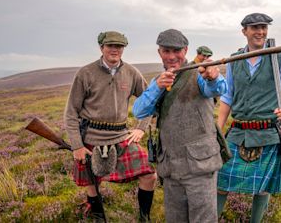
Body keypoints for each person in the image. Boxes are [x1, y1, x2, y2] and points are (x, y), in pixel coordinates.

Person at [132, 29, 227, 222]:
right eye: (166, 51)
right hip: (170, 167)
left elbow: (217, 88)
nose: (172, 56)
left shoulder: (199, 73)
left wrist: (214, 77)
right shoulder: (157, 81)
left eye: (177, 51)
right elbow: (139, 111)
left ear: (185, 50)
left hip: (200, 166)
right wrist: (157, 87)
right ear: (159, 52)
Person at [216, 13, 281, 222]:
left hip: (268, 133)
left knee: (263, 188)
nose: (260, 32)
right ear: (244, 31)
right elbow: (228, 96)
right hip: (238, 132)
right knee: (220, 181)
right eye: (254, 27)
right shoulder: (234, 60)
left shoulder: (280, 57)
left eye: (263, 27)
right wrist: (217, 131)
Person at [64, 31, 157, 221]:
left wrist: (141, 127)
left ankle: (144, 216)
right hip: (90, 138)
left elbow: (149, 101)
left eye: (119, 47)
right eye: (110, 46)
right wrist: (77, 146)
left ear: (123, 49)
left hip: (121, 137)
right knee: (90, 181)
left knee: (150, 175)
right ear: (101, 48)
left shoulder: (132, 73)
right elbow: (71, 112)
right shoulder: (85, 73)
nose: (115, 50)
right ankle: (98, 216)